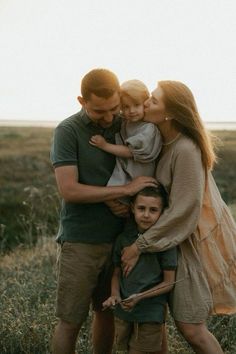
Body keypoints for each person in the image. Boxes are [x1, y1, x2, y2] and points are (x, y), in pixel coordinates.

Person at [121, 80, 236, 354]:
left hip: (185, 247)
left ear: (170, 113)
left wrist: (140, 245)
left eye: (154, 101)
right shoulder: (164, 142)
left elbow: (184, 208)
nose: (147, 103)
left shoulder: (185, 149)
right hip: (165, 244)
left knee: (192, 328)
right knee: (155, 323)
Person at [50, 68, 157, 354]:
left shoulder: (125, 123)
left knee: (106, 312)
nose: (109, 118)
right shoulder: (67, 131)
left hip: (121, 240)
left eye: (114, 108)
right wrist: (123, 191)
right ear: (81, 100)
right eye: (100, 111)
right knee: (70, 320)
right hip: (81, 241)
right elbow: (69, 190)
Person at [103, 185, 177, 354]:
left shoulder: (165, 243)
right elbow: (116, 273)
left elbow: (169, 283)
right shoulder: (123, 239)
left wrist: (140, 297)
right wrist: (115, 294)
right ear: (132, 209)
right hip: (123, 313)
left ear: (161, 212)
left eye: (153, 210)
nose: (146, 214)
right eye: (141, 208)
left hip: (150, 313)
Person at [89, 80, 162, 204]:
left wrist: (105, 145)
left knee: (139, 201)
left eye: (136, 105)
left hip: (140, 172)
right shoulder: (127, 122)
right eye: (126, 107)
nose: (131, 111)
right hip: (127, 171)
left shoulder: (147, 128)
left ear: (145, 103)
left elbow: (130, 152)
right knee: (117, 199)